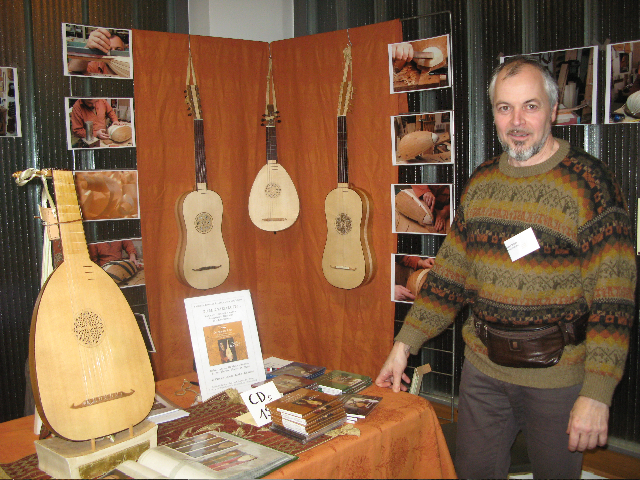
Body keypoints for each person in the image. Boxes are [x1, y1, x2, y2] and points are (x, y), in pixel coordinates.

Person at [376, 56, 636, 479]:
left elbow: (615, 301)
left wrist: (598, 393)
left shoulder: (589, 184)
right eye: (504, 107)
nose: (517, 121)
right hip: (484, 374)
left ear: (553, 110)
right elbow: (449, 278)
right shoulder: (481, 183)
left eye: (530, 106)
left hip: (559, 379)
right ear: (493, 113)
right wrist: (404, 344)